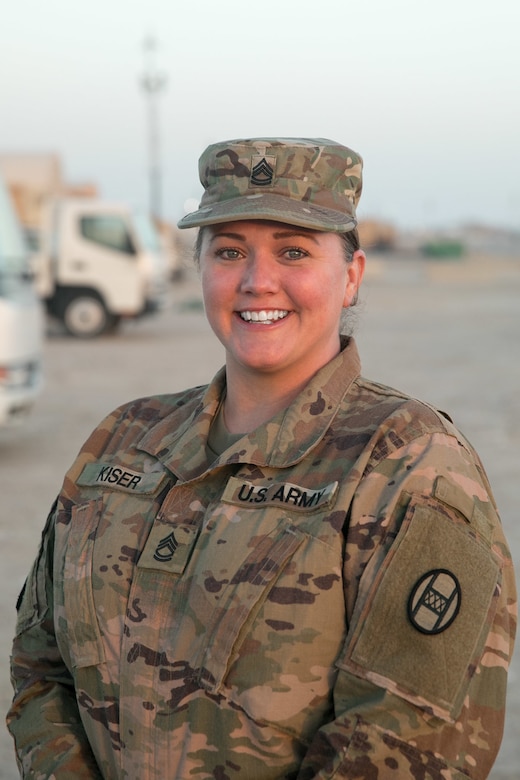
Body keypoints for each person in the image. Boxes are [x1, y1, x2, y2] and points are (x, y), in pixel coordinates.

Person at [7, 137, 517, 780]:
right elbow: (39, 661)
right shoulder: (123, 440)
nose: (257, 280)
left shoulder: (409, 464)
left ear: (352, 275)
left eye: (294, 250)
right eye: (229, 251)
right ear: (200, 269)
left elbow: (409, 744)